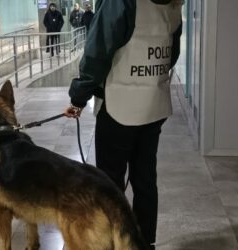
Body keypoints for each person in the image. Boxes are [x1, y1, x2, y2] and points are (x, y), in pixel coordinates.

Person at [64, 0, 183, 248]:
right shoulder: (174, 3)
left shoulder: (121, 2)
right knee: (145, 180)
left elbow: (97, 53)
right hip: (154, 104)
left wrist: (79, 96)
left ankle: (114, 242)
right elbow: (171, 53)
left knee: (110, 183)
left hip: (119, 106)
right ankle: (144, 242)